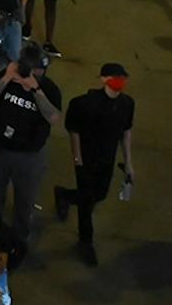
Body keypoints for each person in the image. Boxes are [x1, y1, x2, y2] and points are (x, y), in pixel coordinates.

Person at [0, 47, 61, 245]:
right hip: (0, 149)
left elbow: (54, 117)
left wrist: (36, 90)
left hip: (29, 155)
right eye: (35, 69)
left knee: (25, 201)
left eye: (41, 70)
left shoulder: (49, 89)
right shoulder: (8, 77)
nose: (38, 74)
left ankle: (19, 239)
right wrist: (6, 79)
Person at [56, 64, 135, 265]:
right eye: (115, 77)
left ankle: (64, 195)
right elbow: (74, 132)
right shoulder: (84, 104)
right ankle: (85, 241)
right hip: (87, 159)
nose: (119, 81)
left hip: (107, 159)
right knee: (87, 202)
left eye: (122, 77)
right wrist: (78, 160)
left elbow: (126, 132)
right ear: (103, 79)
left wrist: (128, 162)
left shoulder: (127, 104)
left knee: (99, 194)